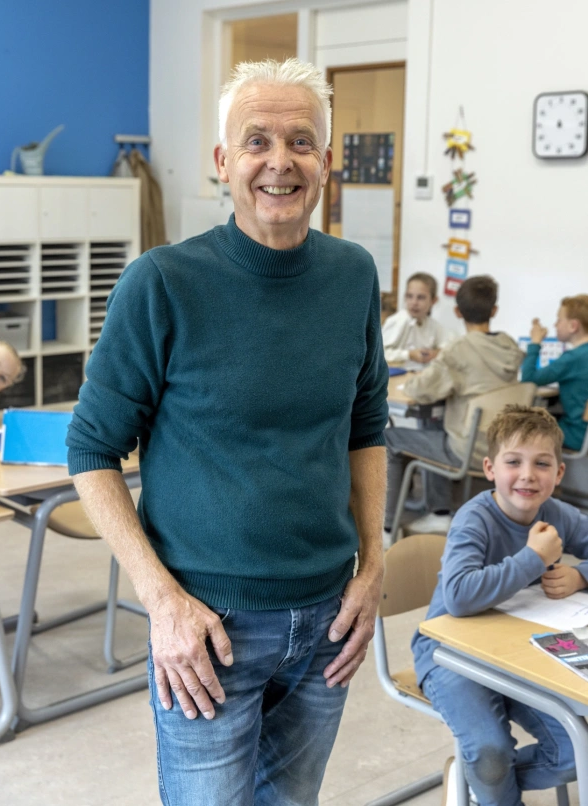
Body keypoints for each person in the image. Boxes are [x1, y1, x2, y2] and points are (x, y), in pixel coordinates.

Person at [66, 58, 389, 806]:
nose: (279, 160)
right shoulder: (163, 282)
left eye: (301, 141)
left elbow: (365, 422)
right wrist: (161, 601)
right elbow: (91, 448)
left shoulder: (352, 275)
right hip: (207, 626)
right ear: (222, 162)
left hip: (329, 618)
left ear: (326, 163)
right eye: (256, 141)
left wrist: (372, 566)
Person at [412, 405, 582, 806]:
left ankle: (475, 786)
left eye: (542, 463)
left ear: (559, 474)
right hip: (448, 655)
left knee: (578, 750)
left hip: (516, 652)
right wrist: (534, 559)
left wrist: (580, 575)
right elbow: (458, 596)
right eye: (513, 462)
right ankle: (490, 786)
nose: (527, 474)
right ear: (490, 468)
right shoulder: (475, 518)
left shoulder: (558, 514)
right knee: (490, 752)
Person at [384, 275, 524, 539]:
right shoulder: (510, 347)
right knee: (435, 426)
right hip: (503, 446)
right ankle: (439, 514)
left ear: (458, 312)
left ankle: (386, 527)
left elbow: (421, 390)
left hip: (466, 449)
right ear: (494, 311)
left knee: (388, 439)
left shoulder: (459, 349)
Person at [522, 294, 588, 450]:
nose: (555, 324)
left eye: (559, 320)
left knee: (526, 429)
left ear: (573, 326)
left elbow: (528, 379)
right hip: (583, 432)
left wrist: (536, 342)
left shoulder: (573, 358)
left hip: (576, 434)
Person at [382, 272, 445, 366]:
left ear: (433, 300)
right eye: (409, 296)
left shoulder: (433, 325)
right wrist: (409, 355)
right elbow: (379, 354)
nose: (414, 302)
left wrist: (435, 353)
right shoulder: (399, 321)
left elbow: (445, 347)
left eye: (421, 297)